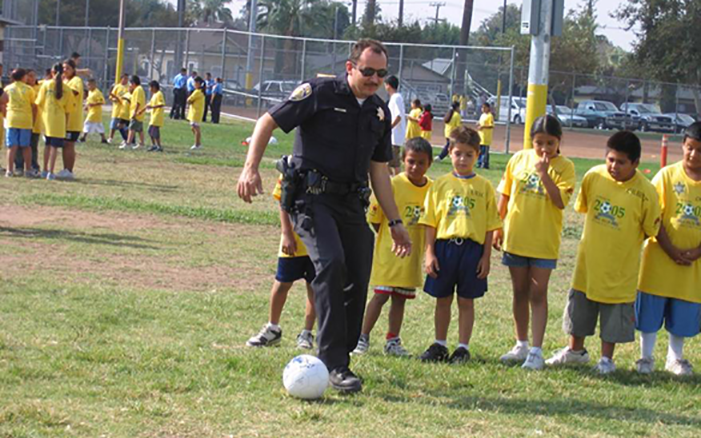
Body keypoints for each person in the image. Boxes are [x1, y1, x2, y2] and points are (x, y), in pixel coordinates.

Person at [236, 39, 412, 394]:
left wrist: (395, 223)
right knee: (330, 264)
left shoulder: (378, 113)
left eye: (381, 74)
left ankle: (339, 354)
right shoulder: (318, 93)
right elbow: (268, 121)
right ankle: (334, 364)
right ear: (350, 68)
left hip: (351, 205)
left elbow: (379, 173)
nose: (374, 79)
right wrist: (249, 168)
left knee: (358, 270)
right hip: (311, 200)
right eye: (367, 71)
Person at [546, 131, 661, 374]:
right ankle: (574, 352)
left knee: (613, 314)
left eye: (621, 162)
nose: (613, 166)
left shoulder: (646, 192)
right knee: (580, 309)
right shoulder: (593, 176)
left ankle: (606, 360)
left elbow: (651, 229)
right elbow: (584, 207)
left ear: (635, 163)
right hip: (588, 264)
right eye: (610, 159)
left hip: (621, 269)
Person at [494, 115, 576, 370]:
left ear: (559, 141)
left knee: (538, 293)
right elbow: (505, 195)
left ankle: (537, 352)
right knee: (519, 291)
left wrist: (544, 173)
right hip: (516, 237)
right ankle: (521, 344)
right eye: (539, 142)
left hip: (543, 241)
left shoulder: (565, 167)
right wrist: (498, 225)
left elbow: (560, 201)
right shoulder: (518, 159)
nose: (544, 149)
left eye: (550, 143)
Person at [418, 125, 501, 364]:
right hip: (445, 248)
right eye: (458, 153)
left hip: (471, 250)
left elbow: (489, 226)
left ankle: (463, 348)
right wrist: (430, 252)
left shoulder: (483, 187)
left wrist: (486, 257)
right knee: (442, 298)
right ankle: (440, 344)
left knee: (466, 300)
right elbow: (430, 221)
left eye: (469, 154)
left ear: (477, 155)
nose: (462, 159)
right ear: (450, 152)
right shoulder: (440, 184)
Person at [353, 137, 433, 356]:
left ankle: (392, 340)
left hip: (412, 254)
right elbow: (375, 219)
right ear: (402, 160)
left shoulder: (432, 189)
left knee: (400, 299)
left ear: (429, 164)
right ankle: (362, 337)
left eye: (421, 163)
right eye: (411, 161)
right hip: (389, 254)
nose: (415, 167)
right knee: (380, 295)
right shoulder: (392, 184)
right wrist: (388, 239)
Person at [634, 122, 701, 376]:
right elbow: (654, 217)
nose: (693, 155)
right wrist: (670, 249)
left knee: (683, 311)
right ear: (683, 146)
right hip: (660, 258)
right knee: (651, 310)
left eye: (699, 150)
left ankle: (675, 358)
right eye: (690, 148)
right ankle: (645, 357)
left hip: (692, 263)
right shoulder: (666, 176)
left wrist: (696, 252)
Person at [246, 177, 317, 350]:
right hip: (294, 240)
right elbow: (283, 201)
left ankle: (307, 333)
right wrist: (286, 233)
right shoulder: (292, 164)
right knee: (282, 283)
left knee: (314, 287)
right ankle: (272, 328)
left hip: (318, 240)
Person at [36, 63, 70, 181]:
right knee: (55, 147)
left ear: (52, 72)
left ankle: (45, 170)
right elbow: (68, 109)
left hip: (47, 119)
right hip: (59, 120)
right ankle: (51, 172)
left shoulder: (46, 85)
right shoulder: (67, 89)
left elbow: (39, 102)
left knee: (47, 145)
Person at [4, 69, 37, 178]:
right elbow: (33, 106)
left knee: (11, 146)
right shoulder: (29, 89)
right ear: (23, 77)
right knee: (26, 146)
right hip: (25, 120)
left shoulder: (8, 88)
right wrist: (33, 119)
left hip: (12, 119)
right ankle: (28, 170)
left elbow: (4, 103)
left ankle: (9, 170)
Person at [60, 58, 83, 180]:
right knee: (64, 145)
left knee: (69, 144)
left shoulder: (76, 80)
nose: (65, 70)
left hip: (73, 120)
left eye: (68, 68)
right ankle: (65, 169)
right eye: (63, 68)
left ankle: (69, 170)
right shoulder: (64, 80)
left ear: (73, 70)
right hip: (64, 119)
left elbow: (74, 92)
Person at [15, 69, 41, 174]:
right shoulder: (22, 89)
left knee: (32, 146)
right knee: (19, 146)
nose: (32, 78)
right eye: (29, 76)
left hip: (36, 123)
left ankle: (33, 166)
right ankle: (19, 166)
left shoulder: (39, 88)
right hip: (23, 122)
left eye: (34, 76)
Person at [384, 75, 406, 176]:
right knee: (388, 161)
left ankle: (397, 180)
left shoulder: (396, 98)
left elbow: (398, 116)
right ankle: (393, 179)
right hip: (394, 136)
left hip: (395, 136)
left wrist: (389, 127)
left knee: (391, 162)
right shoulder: (395, 97)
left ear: (388, 85)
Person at [79, 79, 107, 144]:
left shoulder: (97, 92)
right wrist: (86, 107)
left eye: (89, 85)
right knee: (99, 125)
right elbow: (89, 101)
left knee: (87, 123)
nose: (88, 86)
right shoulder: (90, 92)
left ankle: (83, 137)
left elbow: (102, 102)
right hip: (91, 111)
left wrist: (93, 104)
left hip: (95, 112)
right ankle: (103, 139)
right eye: (87, 85)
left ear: (94, 85)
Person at [122, 75, 146, 150]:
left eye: (130, 83)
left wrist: (135, 112)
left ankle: (128, 143)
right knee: (139, 129)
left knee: (131, 128)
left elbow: (138, 102)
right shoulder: (137, 89)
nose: (130, 85)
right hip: (137, 113)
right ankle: (142, 144)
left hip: (136, 113)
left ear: (134, 83)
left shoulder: (138, 89)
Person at [142, 81, 166, 152]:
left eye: (150, 87)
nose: (149, 89)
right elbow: (150, 104)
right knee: (150, 131)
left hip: (157, 116)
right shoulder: (154, 95)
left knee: (154, 131)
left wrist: (152, 107)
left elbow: (161, 104)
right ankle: (154, 145)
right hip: (153, 116)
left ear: (154, 87)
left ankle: (159, 146)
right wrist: (142, 110)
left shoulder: (159, 94)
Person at [108, 74, 130, 144]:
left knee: (125, 126)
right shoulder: (117, 87)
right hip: (117, 109)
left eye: (127, 79)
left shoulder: (128, 87)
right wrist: (114, 99)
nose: (126, 80)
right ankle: (110, 138)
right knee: (113, 125)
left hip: (125, 110)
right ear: (121, 79)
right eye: (124, 78)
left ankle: (125, 139)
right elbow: (111, 96)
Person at [186, 77, 205, 150]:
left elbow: (189, 100)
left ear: (198, 83)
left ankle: (197, 144)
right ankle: (198, 142)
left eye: (195, 82)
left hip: (196, 112)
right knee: (192, 127)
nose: (194, 84)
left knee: (196, 128)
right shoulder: (198, 91)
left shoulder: (197, 91)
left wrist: (189, 101)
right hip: (194, 111)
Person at [476, 102, 494, 169]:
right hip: (480, 136)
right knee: (480, 151)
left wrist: (483, 127)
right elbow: (480, 122)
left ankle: (484, 164)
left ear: (488, 108)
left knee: (484, 151)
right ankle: (479, 163)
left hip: (486, 137)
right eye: (482, 107)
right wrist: (478, 124)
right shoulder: (482, 115)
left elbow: (491, 125)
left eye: (484, 107)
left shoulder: (490, 116)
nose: (483, 109)